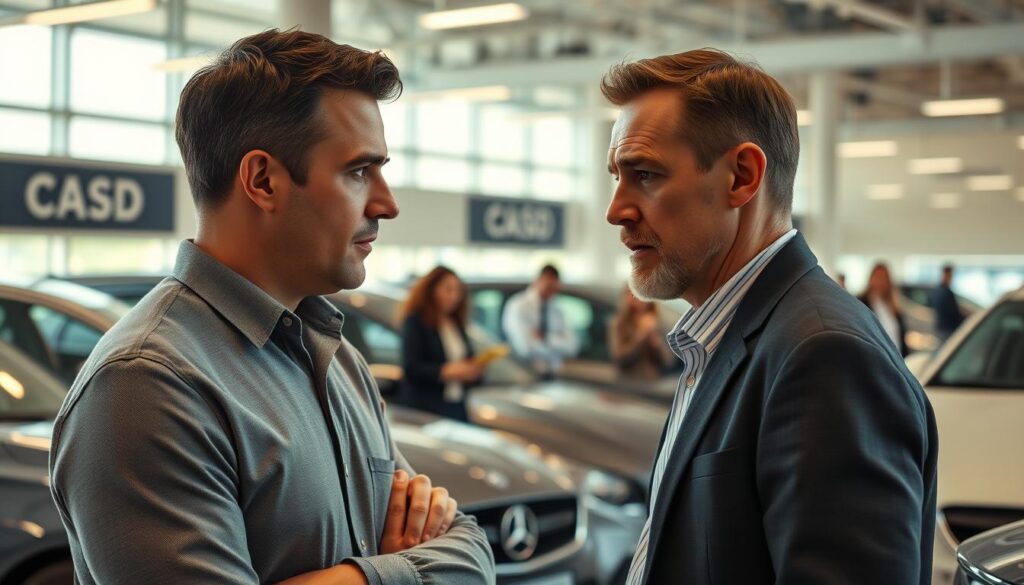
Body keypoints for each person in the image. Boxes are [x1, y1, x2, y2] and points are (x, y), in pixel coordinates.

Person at [49, 30, 493, 585]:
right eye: (359, 171)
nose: (388, 203)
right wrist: (398, 570)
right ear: (262, 180)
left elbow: (472, 549)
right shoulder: (147, 385)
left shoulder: (335, 358)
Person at [602, 49, 937, 585]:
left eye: (644, 174)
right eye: (616, 176)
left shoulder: (824, 355)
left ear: (742, 177)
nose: (616, 208)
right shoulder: (725, 339)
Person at [399, 266, 483, 422]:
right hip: (426, 407)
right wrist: (447, 371)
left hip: (456, 403)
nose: (454, 297)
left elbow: (467, 358)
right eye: (448, 290)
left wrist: (473, 370)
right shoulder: (416, 322)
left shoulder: (455, 323)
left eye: (458, 291)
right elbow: (411, 368)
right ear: (432, 290)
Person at [501, 264, 579, 377]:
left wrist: (545, 338)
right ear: (537, 281)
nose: (551, 293)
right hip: (523, 373)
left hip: (554, 374)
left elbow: (572, 347)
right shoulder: (518, 306)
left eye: (554, 288)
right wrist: (558, 343)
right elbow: (525, 348)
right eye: (548, 287)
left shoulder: (557, 309)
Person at [609, 286, 673, 380]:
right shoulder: (620, 323)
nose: (636, 299)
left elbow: (667, 361)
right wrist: (641, 335)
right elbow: (620, 358)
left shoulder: (655, 321)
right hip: (627, 381)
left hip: (651, 381)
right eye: (632, 295)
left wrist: (655, 341)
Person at [858, 262, 910, 356]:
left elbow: (900, 338)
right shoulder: (861, 303)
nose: (881, 281)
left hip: (896, 359)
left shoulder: (893, 306)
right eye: (878, 277)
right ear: (871, 279)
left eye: (884, 278)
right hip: (875, 359)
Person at [931, 263, 965, 343]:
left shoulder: (938, 290)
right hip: (948, 328)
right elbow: (952, 311)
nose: (951, 277)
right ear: (945, 274)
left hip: (942, 327)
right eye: (950, 275)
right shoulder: (945, 292)